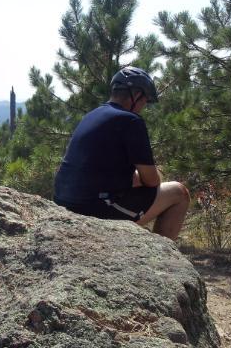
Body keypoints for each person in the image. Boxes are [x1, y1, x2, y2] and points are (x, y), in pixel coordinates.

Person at [53, 66, 189, 240]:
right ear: (137, 95)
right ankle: (163, 258)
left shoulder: (92, 115)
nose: (143, 106)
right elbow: (152, 180)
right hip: (93, 211)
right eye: (145, 100)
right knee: (179, 192)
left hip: (63, 203)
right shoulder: (131, 121)